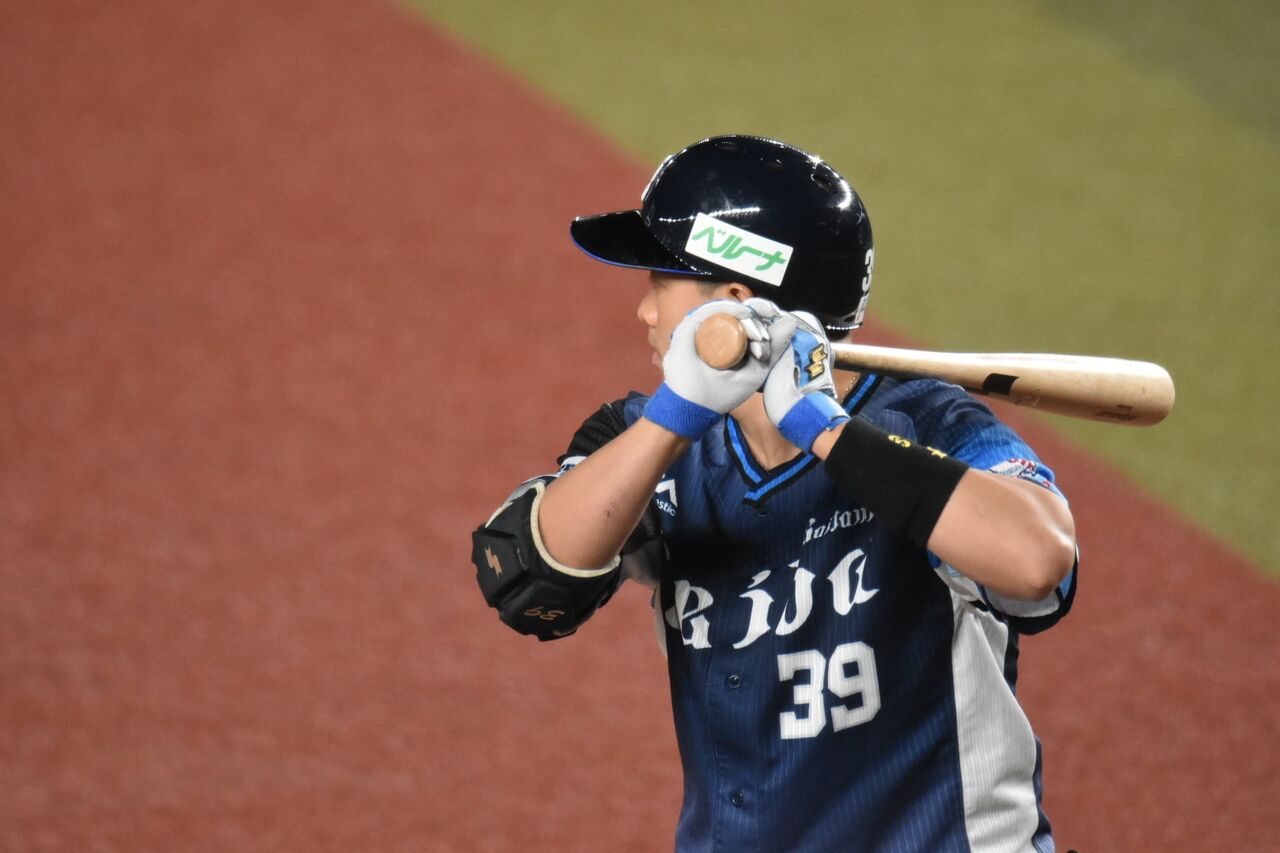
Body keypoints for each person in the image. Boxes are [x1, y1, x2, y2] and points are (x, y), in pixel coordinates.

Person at [472, 135, 1078, 852]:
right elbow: (526, 577)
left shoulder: (926, 424)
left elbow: (1040, 564)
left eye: (661, 283)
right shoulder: (645, 439)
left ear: (735, 303)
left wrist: (825, 431)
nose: (644, 313)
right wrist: (673, 418)